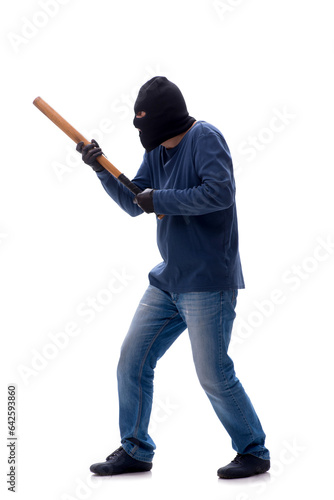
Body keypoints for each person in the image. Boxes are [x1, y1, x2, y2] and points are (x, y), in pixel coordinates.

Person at [76, 76, 270, 479]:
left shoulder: (205, 138)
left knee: (213, 373)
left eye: (145, 122)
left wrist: (160, 199)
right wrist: (101, 170)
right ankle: (135, 449)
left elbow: (220, 193)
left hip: (207, 281)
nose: (142, 132)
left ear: (164, 120)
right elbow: (136, 203)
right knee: (132, 360)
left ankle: (254, 450)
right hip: (168, 281)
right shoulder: (157, 152)